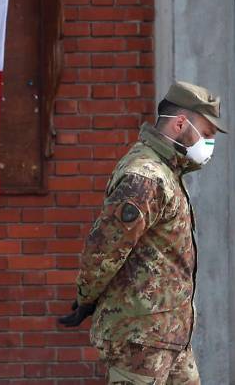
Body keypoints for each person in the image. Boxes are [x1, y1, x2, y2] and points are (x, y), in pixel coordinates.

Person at [58, 81, 227, 385]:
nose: (209, 143)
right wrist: (86, 296)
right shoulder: (146, 175)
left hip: (171, 336)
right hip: (140, 339)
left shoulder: (168, 171)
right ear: (179, 123)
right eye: (206, 133)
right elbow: (105, 248)